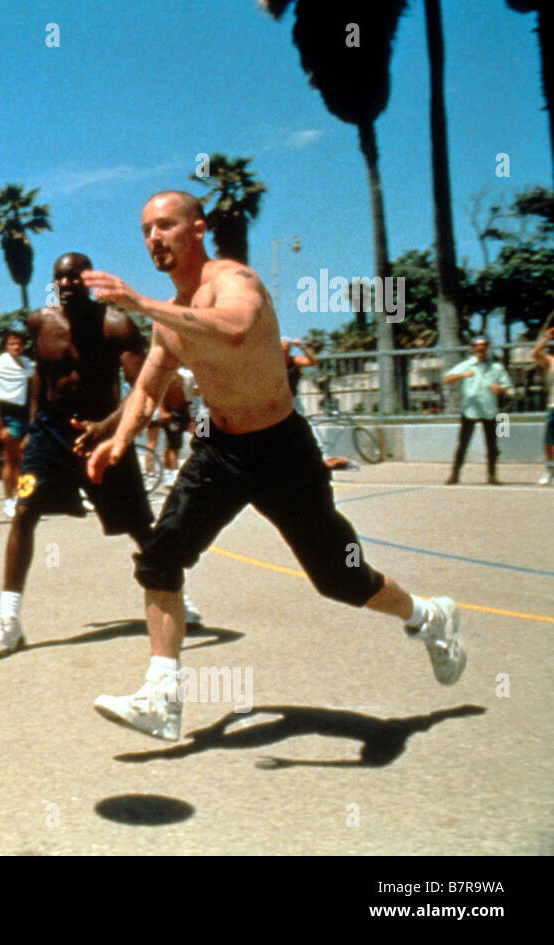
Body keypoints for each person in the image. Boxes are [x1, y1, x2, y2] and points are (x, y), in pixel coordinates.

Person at [85, 190, 464, 741]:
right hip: (220, 450)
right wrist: (118, 438)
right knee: (160, 556)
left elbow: (236, 327)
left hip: (282, 449)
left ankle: (427, 616)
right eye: (145, 229)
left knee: (340, 579)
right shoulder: (168, 321)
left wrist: (142, 304)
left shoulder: (234, 280)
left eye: (165, 225)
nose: (153, 238)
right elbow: (146, 389)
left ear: (198, 229)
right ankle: (162, 696)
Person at [0, 252, 201, 659]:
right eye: (60, 277)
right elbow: (41, 377)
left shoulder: (116, 325)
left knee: (140, 526)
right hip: (50, 433)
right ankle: (9, 621)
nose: (66, 284)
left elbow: (142, 386)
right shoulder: (40, 321)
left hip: (102, 433)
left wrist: (109, 427)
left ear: (89, 279)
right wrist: (29, 429)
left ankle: (173, 596)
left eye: (75, 277)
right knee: (25, 512)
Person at [442, 336, 514, 485]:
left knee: (492, 445)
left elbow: (509, 389)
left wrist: (500, 389)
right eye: (477, 345)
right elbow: (446, 379)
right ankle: (454, 475)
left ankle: (492, 475)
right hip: (470, 410)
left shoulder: (496, 367)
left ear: (488, 347)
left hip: (490, 410)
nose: (480, 348)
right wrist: (462, 375)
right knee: (463, 444)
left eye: (483, 345)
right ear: (473, 348)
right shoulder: (467, 365)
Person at [0, 329, 34, 518]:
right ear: (6, 346)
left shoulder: (27, 365)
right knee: (11, 460)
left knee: (27, 461)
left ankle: (24, 499)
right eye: (12, 344)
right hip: (8, 418)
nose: (16, 347)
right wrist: (0, 426)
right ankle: (9, 501)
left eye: (19, 344)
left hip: (26, 416)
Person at [531, 325, 554, 485]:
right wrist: (546, 338)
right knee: (548, 442)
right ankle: (550, 470)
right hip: (553, 406)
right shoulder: (550, 360)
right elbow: (534, 354)